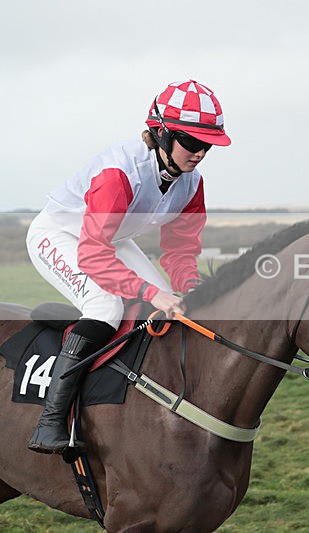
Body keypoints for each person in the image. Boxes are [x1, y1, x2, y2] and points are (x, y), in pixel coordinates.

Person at [26, 80, 231, 454]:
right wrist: (151, 291)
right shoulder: (119, 173)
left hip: (110, 239)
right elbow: (92, 255)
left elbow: (181, 248)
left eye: (208, 145)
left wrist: (189, 286)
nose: (201, 153)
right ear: (162, 134)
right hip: (59, 235)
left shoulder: (191, 184)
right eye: (192, 142)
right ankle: (50, 422)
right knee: (106, 306)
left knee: (166, 306)